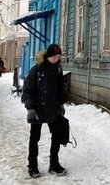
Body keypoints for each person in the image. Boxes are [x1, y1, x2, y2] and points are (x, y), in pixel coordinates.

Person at [21, 44, 67, 178]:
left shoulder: (58, 69)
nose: (56, 59)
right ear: (47, 56)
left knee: (57, 137)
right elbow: (28, 90)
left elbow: (60, 89)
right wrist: (30, 109)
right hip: (38, 109)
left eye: (58, 57)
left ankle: (54, 164)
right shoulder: (37, 70)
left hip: (53, 109)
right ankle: (33, 166)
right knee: (34, 138)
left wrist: (61, 104)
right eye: (54, 57)